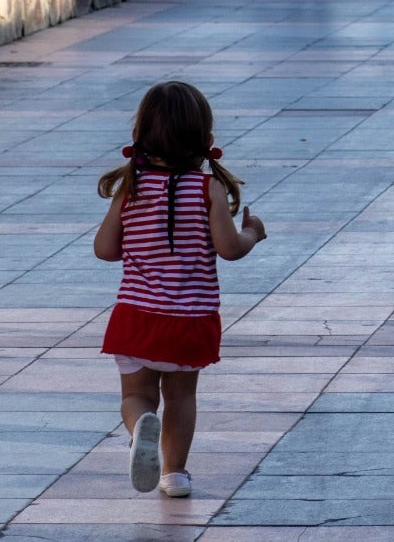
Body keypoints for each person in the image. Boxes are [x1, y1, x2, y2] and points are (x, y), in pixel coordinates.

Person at [94, 81, 267, 498]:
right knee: (181, 398)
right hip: (191, 320)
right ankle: (174, 475)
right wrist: (252, 234)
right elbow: (229, 250)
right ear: (207, 141)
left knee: (137, 395)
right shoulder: (208, 189)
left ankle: (140, 430)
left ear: (138, 137)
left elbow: (104, 250)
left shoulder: (130, 188)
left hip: (136, 318)